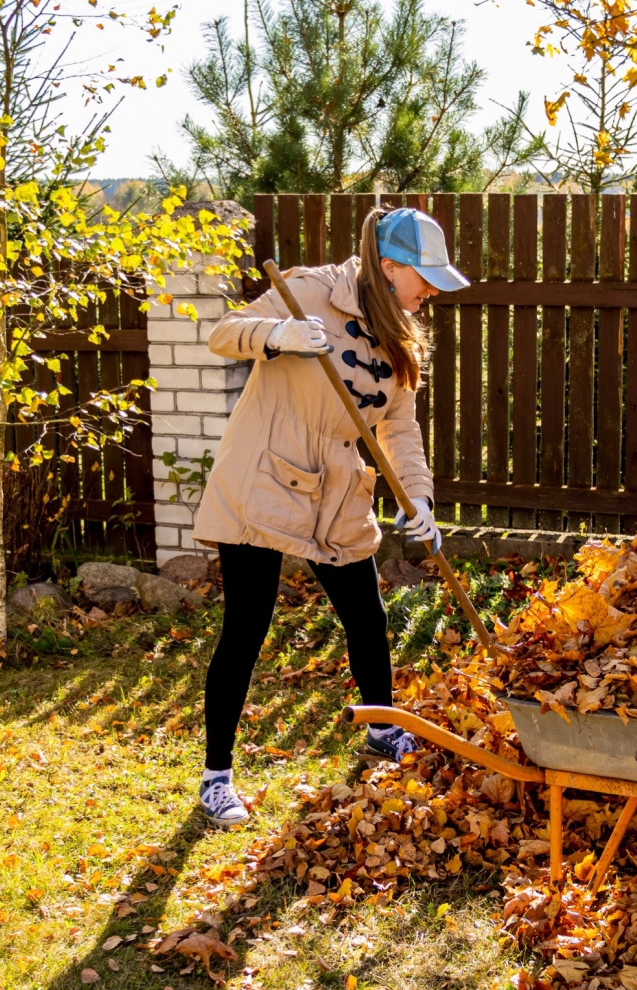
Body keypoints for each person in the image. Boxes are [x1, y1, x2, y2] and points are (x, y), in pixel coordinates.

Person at [189, 206, 470, 828]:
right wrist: (279, 336)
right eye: (424, 277)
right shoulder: (308, 290)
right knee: (247, 627)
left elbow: (399, 423)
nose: (430, 291)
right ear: (389, 267)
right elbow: (224, 332)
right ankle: (216, 777)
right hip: (265, 476)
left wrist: (417, 497)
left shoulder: (400, 328)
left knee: (366, 618)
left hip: (340, 490)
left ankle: (381, 733)